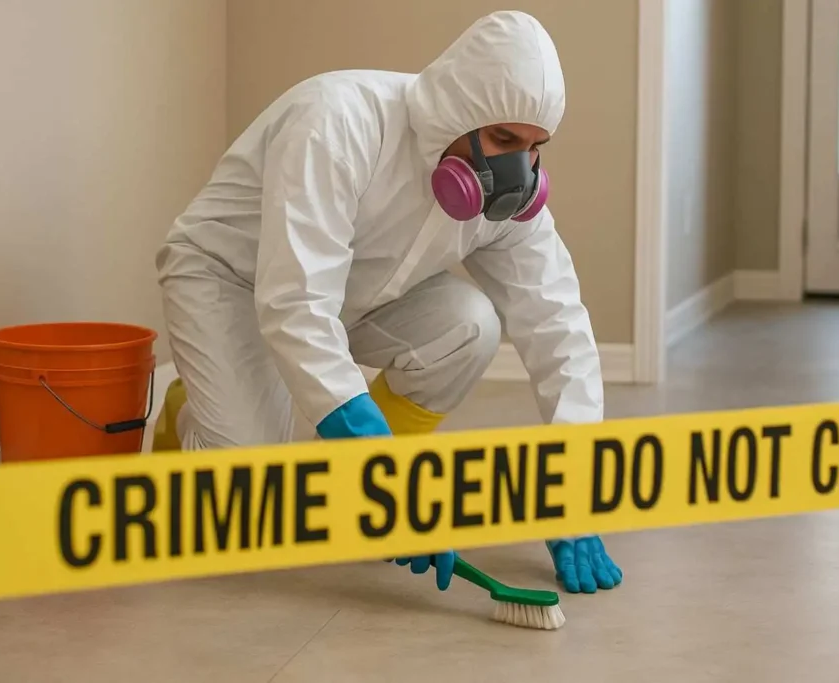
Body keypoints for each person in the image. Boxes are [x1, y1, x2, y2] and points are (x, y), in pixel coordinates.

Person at [152, 10, 622, 595]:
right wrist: (381, 469)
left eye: (534, 147)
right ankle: (190, 411)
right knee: (247, 509)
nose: (518, 168)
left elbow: (560, 328)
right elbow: (296, 302)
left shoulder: (507, 199)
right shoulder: (338, 122)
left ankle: (350, 489)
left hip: (347, 295)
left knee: (472, 326)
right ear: (460, 109)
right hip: (228, 278)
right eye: (504, 139)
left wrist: (571, 492)